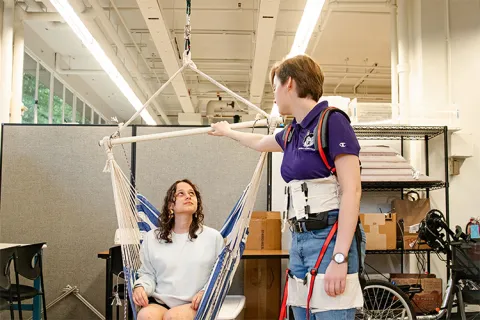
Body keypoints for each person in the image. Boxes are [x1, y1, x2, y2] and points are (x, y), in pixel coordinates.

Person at [209, 54, 366, 319]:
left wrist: (339, 258)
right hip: (299, 240)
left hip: (328, 239)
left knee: (332, 312)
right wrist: (228, 131)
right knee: (300, 313)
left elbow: (352, 190)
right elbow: (260, 143)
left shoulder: (333, 122)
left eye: (274, 88)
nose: (273, 97)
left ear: (289, 83)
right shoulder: (294, 132)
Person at [132, 179, 225, 320]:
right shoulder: (152, 238)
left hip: (194, 304)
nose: (188, 196)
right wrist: (140, 287)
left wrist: (205, 292)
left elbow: (219, 276)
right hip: (160, 302)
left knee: (174, 317)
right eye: (181, 194)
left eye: (192, 194)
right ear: (171, 205)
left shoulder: (213, 237)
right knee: (145, 315)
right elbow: (148, 274)